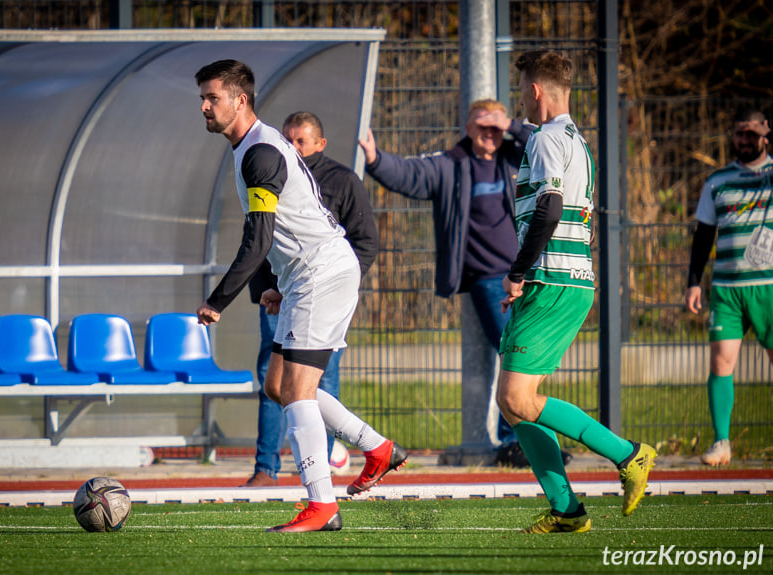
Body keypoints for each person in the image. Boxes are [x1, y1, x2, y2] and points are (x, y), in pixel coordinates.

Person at [194, 60, 406, 532]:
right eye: (202, 99)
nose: (205, 107)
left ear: (240, 99)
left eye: (213, 98)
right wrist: (279, 285)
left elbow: (259, 238)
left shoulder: (260, 153)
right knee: (278, 386)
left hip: (321, 276)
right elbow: (288, 228)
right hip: (305, 278)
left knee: (296, 392)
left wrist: (218, 300)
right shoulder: (252, 148)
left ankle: (322, 504)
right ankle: (377, 448)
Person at [495, 49, 656, 534]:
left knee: (519, 400)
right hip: (566, 279)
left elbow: (549, 208)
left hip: (551, 281)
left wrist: (520, 271)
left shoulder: (545, 138)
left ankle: (629, 454)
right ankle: (567, 510)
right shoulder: (575, 141)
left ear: (537, 90)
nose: (520, 94)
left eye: (522, 86)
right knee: (513, 401)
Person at [359, 98, 554, 467]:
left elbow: (547, 145)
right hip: (489, 280)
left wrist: (511, 124)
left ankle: (528, 437)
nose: (489, 134)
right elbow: (409, 174)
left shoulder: (517, 158)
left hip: (527, 274)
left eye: (495, 127)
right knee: (514, 353)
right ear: (468, 128)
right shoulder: (451, 165)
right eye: (482, 125)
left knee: (531, 356)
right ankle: (517, 441)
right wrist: (374, 158)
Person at [242, 111, 379, 487]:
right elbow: (262, 236)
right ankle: (266, 468)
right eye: (288, 139)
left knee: (307, 385)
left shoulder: (341, 179)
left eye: (301, 141)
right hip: (284, 291)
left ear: (320, 144)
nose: (293, 146)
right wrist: (269, 289)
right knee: (274, 385)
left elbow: (365, 242)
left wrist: (335, 286)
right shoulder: (270, 166)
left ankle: (322, 490)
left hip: (318, 289)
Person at [684, 109, 773, 467]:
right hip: (727, 288)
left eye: (753, 133)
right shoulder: (717, 181)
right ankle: (721, 442)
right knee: (721, 362)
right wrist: (693, 282)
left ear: (766, 134)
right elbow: (703, 234)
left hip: (768, 286)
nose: (745, 140)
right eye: (740, 133)